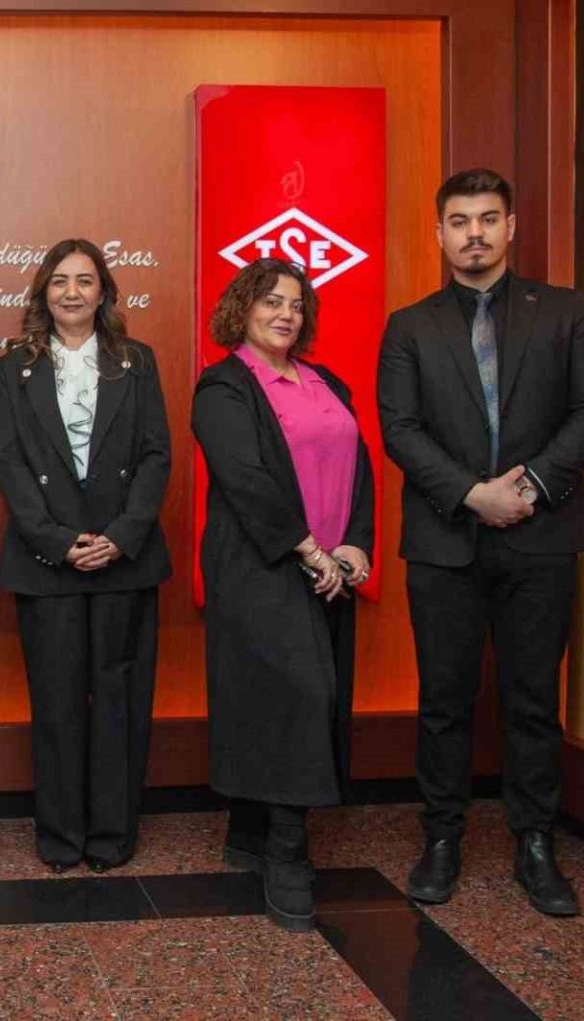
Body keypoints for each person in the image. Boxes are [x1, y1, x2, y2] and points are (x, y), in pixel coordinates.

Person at [377, 169, 584, 917]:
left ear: (511, 228)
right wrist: (473, 494)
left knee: (533, 699)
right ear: (439, 233)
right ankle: (442, 837)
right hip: (444, 540)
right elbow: (400, 430)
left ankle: (535, 842)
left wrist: (532, 486)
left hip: (541, 537)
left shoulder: (564, 312)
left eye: (487, 219)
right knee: (444, 699)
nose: (474, 233)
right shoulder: (409, 326)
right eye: (459, 221)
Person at [192, 258, 375, 932]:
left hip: (331, 572)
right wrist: (308, 550)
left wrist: (354, 545)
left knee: (295, 699)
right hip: (260, 569)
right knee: (296, 698)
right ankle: (286, 853)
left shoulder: (328, 383)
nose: (286, 314)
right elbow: (246, 479)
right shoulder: (223, 387)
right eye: (271, 301)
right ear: (243, 308)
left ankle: (246, 831)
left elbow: (361, 467)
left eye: (297, 304)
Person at [0, 239, 171, 873]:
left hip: (125, 559)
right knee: (58, 705)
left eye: (85, 280)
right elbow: (10, 461)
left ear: (104, 293)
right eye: (60, 280)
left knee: (120, 701)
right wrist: (56, 540)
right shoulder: (15, 366)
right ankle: (61, 836)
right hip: (49, 562)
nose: (72, 292)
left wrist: (122, 534)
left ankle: (113, 836)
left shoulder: (136, 361)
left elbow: (156, 455)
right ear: (44, 292)